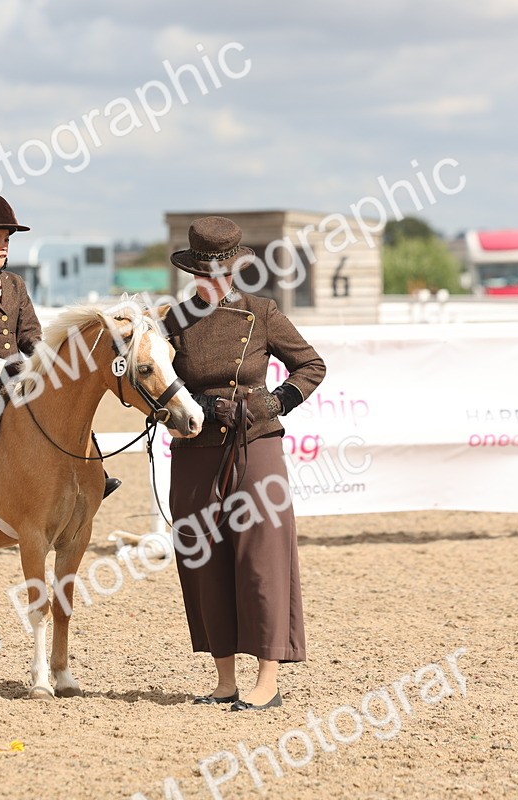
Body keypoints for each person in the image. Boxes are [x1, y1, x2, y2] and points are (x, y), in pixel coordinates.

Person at [162, 216, 326, 711]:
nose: (211, 281)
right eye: (203, 273)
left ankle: (267, 680)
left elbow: (311, 366)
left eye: (219, 272)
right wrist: (203, 406)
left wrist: (272, 403)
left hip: (256, 445)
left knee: (261, 558)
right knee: (203, 560)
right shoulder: (172, 323)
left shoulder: (262, 311)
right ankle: (224, 681)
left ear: (233, 270)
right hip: (195, 448)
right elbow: (154, 388)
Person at [0, 192, 120, 522]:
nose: (4, 246)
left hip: (14, 374)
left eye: (6, 240)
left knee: (65, 403)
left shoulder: (15, 284)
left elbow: (29, 334)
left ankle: (93, 473)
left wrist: (49, 358)